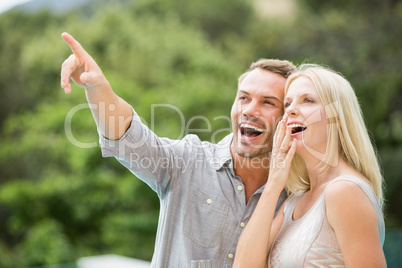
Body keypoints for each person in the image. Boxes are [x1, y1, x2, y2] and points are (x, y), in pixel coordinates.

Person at [60, 32, 296, 267]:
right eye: (243, 98)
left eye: (268, 102)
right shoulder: (188, 161)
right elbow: (130, 138)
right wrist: (98, 88)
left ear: (289, 117)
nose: (249, 110)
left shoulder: (297, 196)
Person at [233, 64, 386, 267]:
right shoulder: (294, 202)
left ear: (337, 118)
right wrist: (273, 184)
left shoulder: (346, 191)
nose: (291, 111)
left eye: (308, 100)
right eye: (287, 104)